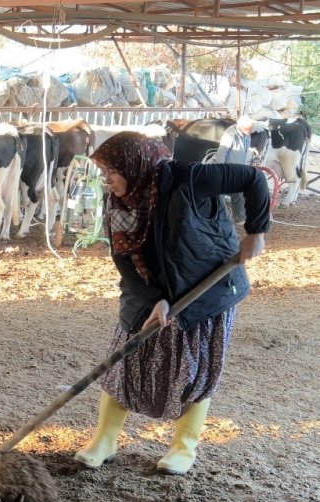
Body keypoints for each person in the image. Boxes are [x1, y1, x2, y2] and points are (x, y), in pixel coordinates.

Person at [74, 131, 269, 476]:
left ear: (134, 166)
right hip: (149, 289)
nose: (107, 181)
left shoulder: (189, 178)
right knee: (125, 362)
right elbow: (122, 259)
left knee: (194, 370)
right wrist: (155, 299)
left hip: (206, 291)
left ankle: (183, 448)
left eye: (111, 173)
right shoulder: (120, 201)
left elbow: (253, 178)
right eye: (105, 174)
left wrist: (256, 230)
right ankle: (104, 440)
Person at [212, 115, 255, 225]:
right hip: (227, 170)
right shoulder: (231, 133)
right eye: (248, 128)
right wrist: (220, 170)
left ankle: (240, 218)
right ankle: (218, 217)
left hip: (238, 170)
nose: (251, 130)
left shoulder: (247, 136)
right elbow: (222, 151)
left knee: (240, 192)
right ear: (241, 126)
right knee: (220, 193)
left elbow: (244, 153)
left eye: (251, 127)